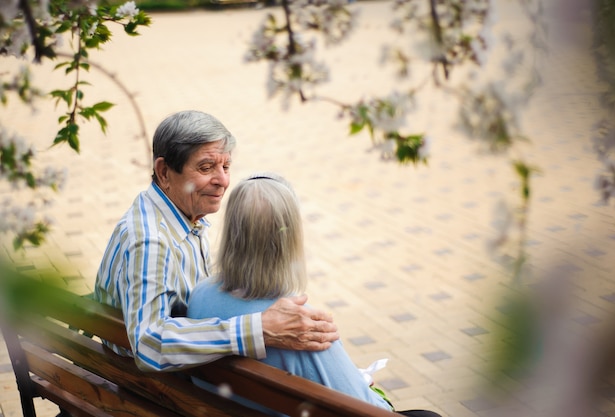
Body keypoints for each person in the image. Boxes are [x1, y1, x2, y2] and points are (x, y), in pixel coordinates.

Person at [93, 110, 338, 372]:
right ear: (164, 172)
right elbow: (149, 345)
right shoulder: (151, 241)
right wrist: (259, 328)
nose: (222, 181)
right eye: (206, 167)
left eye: (226, 166)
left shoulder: (177, 214)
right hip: (148, 394)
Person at [187, 173, 442, 417]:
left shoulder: (199, 296)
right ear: (290, 238)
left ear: (232, 229)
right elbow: (365, 409)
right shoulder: (302, 328)